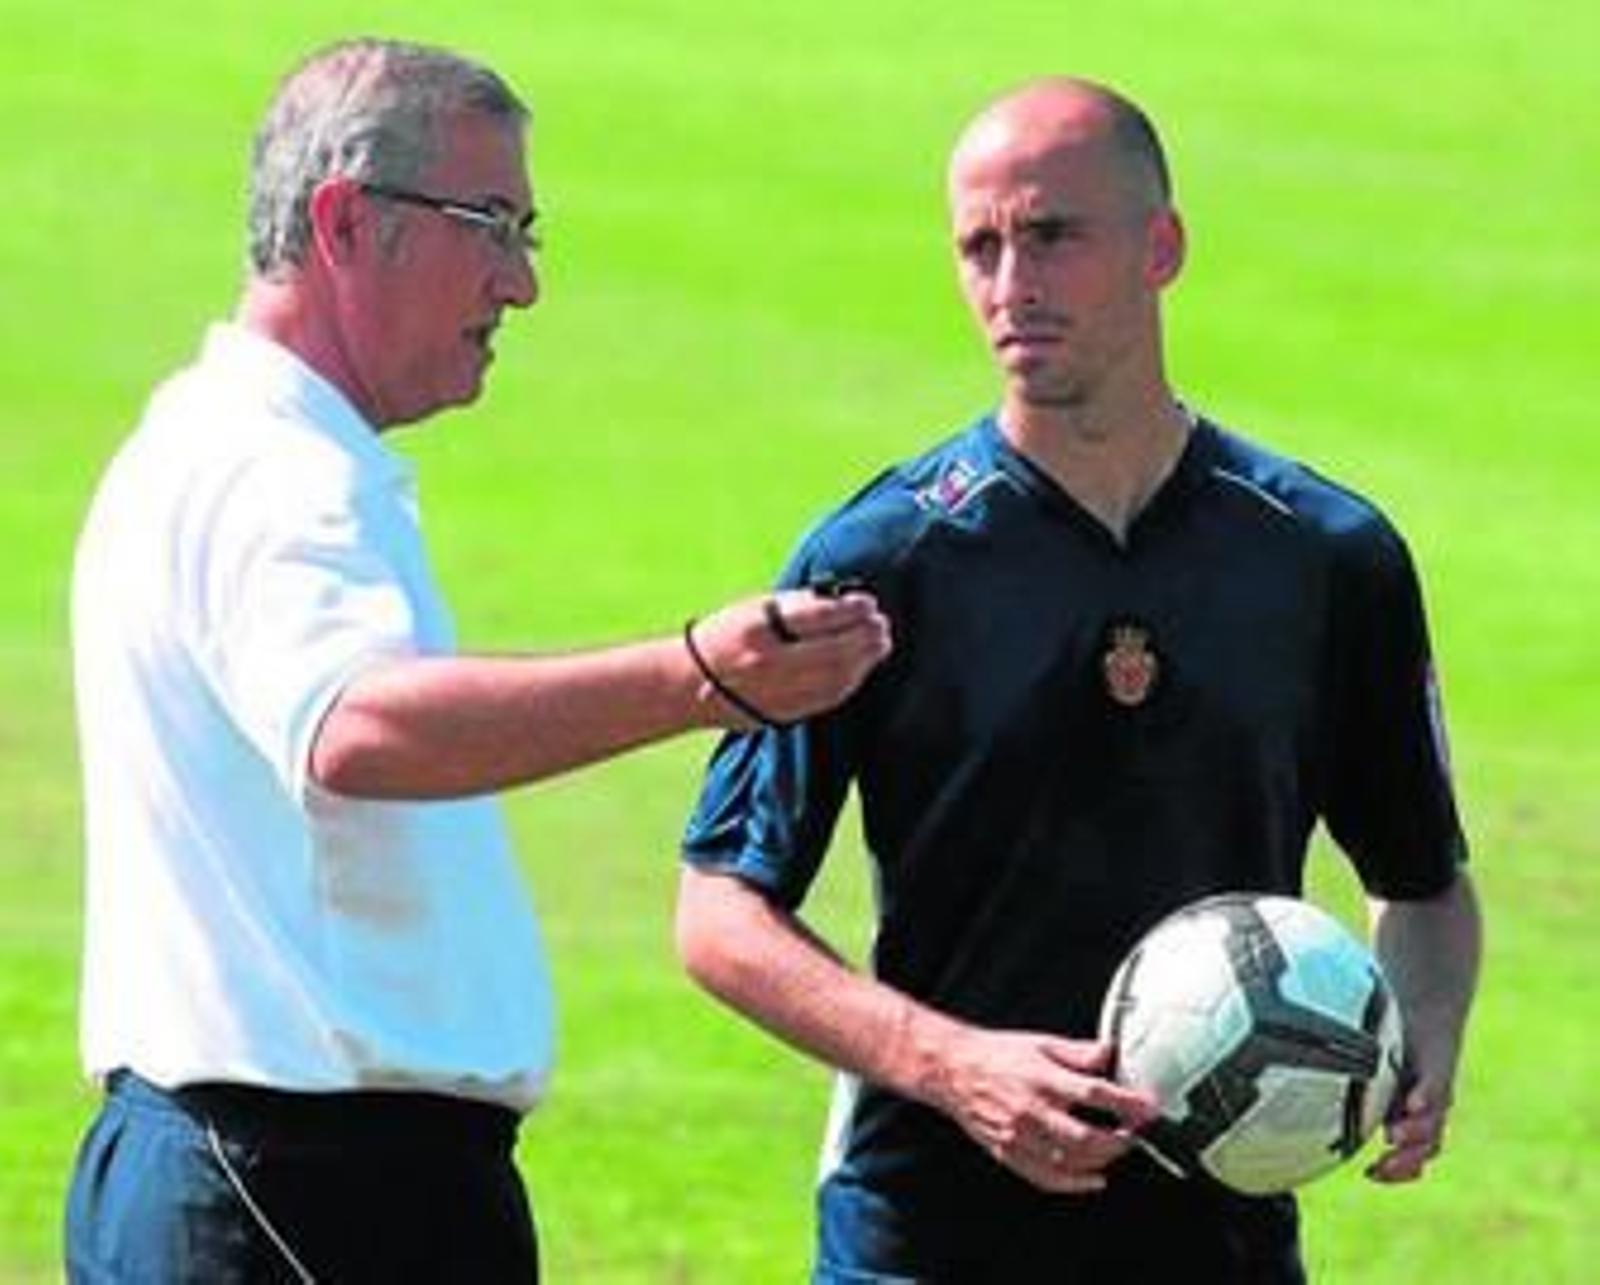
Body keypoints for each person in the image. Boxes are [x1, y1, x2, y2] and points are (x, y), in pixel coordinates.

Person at [64, 36, 890, 1285]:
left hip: (295, 1177)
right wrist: (697, 677)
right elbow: (358, 729)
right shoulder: (272, 474)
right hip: (298, 1189)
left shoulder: (251, 450)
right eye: (489, 224)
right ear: (346, 222)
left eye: (527, 233)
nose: (520, 285)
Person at [676, 76, 1482, 1282]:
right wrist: (954, 1065)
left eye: (1050, 236)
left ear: (1161, 247)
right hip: (923, 1234)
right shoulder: (881, 561)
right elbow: (718, 915)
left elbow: (1421, 884)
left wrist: (1420, 1033)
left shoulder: (1324, 558)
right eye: (979, 246)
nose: (1011, 285)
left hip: (1219, 1242)